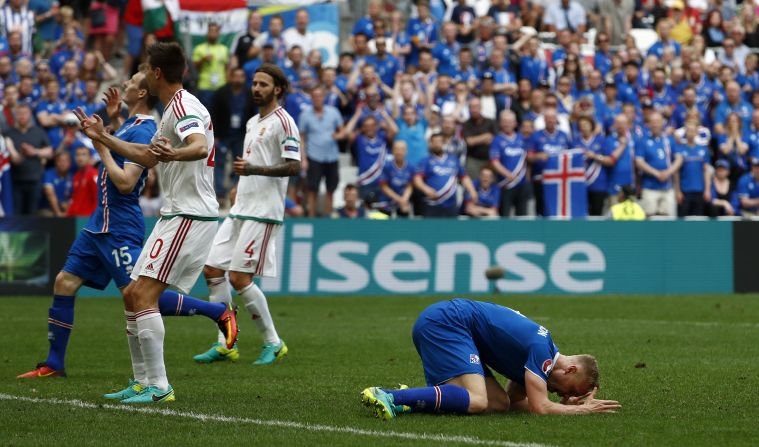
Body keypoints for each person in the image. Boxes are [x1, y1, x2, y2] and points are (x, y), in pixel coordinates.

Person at [19, 69, 237, 383]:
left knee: (139, 295)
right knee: (64, 282)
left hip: (120, 225)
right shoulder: (131, 125)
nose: (124, 84)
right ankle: (54, 362)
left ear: (143, 93)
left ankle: (216, 312)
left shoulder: (145, 128)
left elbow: (125, 182)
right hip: (99, 223)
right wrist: (113, 122)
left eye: (132, 83)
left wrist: (101, 146)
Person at [73, 43, 233, 403]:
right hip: (175, 212)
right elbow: (147, 155)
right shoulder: (170, 109)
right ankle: (142, 381)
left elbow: (197, 144)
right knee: (132, 294)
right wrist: (103, 137)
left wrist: (175, 152)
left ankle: (159, 386)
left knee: (144, 294)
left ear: (156, 74)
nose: (142, 72)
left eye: (145, 68)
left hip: (190, 215)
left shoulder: (183, 106)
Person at [196, 63, 300, 366]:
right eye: (254, 83)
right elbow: (250, 161)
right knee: (212, 269)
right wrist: (241, 184)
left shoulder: (285, 122)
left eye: (263, 84)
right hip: (242, 207)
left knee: (240, 277)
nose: (256, 88)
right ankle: (226, 342)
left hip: (264, 212)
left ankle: (273, 341)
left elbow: (294, 165)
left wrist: (254, 171)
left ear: (277, 89)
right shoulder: (254, 121)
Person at [361, 299, 620, 419]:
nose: (560, 393)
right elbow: (540, 407)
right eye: (570, 389)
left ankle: (414, 400)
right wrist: (581, 410)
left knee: (497, 403)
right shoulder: (543, 354)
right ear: (570, 370)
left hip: (449, 324)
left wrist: (567, 406)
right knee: (477, 400)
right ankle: (389, 396)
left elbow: (517, 401)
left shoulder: (545, 352)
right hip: (447, 323)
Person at [211, 67, 257, 203]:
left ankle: (237, 191)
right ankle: (220, 194)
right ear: (230, 77)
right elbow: (214, 114)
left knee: (239, 164)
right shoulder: (221, 93)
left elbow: (254, 114)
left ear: (244, 78)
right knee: (219, 163)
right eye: (235, 76)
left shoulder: (249, 94)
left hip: (241, 135)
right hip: (223, 134)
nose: (238, 79)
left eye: (241, 76)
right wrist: (215, 135)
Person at [299, 85, 344, 217]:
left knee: (331, 188)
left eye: (320, 96)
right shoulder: (305, 115)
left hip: (332, 155)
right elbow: (301, 138)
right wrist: (303, 158)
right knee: (312, 188)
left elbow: (342, 131)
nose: (317, 99)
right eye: (315, 96)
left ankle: (327, 217)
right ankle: (312, 217)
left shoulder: (334, 112)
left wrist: (339, 135)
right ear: (311, 98)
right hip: (314, 155)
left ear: (323, 97)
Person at [414, 133, 478, 218]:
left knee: (451, 230)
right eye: (434, 142)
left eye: (439, 142)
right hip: (432, 203)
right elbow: (417, 179)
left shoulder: (453, 160)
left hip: (450, 204)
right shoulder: (425, 161)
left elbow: (464, 177)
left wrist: (472, 191)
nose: (437, 144)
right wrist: (426, 189)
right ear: (431, 144)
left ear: (444, 144)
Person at [7, 103, 53, 215]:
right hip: (15, 181)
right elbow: (12, 159)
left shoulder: (38, 131)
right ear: (15, 116)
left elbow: (50, 152)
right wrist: (21, 154)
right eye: (19, 114)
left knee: (32, 213)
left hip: (35, 180)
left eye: (25, 113)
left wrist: (35, 152)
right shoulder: (9, 134)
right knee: (16, 213)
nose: (22, 116)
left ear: (30, 115)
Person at [635, 112, 681, 217]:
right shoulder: (642, 140)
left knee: (668, 220)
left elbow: (679, 159)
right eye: (653, 122)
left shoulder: (669, 140)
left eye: (658, 122)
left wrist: (667, 173)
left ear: (662, 123)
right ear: (648, 124)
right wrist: (657, 174)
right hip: (649, 187)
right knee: (649, 219)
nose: (655, 124)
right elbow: (639, 162)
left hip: (668, 188)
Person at [489, 110, 529, 217]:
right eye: (505, 121)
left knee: (522, 216)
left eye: (510, 121)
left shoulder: (521, 139)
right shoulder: (497, 140)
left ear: (515, 123)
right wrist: (509, 175)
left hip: (522, 184)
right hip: (505, 184)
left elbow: (526, 160)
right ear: (500, 123)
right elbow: (494, 162)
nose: (507, 124)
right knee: (505, 216)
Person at [674, 122, 711, 217]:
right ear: (685, 132)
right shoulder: (680, 149)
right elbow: (676, 172)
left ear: (696, 132)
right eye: (688, 130)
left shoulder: (703, 150)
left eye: (693, 131)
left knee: (698, 219)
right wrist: (678, 191)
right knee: (683, 219)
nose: (691, 133)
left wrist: (707, 189)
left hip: (699, 190)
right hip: (685, 191)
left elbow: (706, 171)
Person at [192, 22, 229, 107]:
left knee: (220, 113)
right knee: (206, 114)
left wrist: (227, 84)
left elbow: (227, 68)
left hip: (221, 86)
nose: (213, 33)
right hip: (205, 87)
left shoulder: (224, 49)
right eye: (211, 31)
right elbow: (194, 67)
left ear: (219, 33)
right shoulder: (199, 48)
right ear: (207, 33)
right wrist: (203, 59)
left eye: (215, 31)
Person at [378, 140, 414, 217]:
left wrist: (404, 199)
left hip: (402, 203)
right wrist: (399, 199)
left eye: (401, 149)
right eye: (396, 149)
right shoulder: (387, 166)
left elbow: (410, 186)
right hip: (387, 203)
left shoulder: (410, 167)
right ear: (393, 151)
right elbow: (384, 187)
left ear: (406, 151)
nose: (399, 152)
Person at [65, 145, 98, 217]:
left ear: (90, 158)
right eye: (78, 155)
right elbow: (75, 198)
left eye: (84, 155)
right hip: (75, 218)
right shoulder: (76, 176)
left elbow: (98, 198)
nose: (80, 158)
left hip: (88, 218)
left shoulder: (94, 174)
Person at [38, 149, 72, 217]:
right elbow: (50, 194)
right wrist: (58, 213)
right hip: (48, 209)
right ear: (55, 162)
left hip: (67, 208)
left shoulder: (72, 175)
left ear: (70, 163)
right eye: (60, 161)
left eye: (65, 161)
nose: (63, 164)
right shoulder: (48, 174)